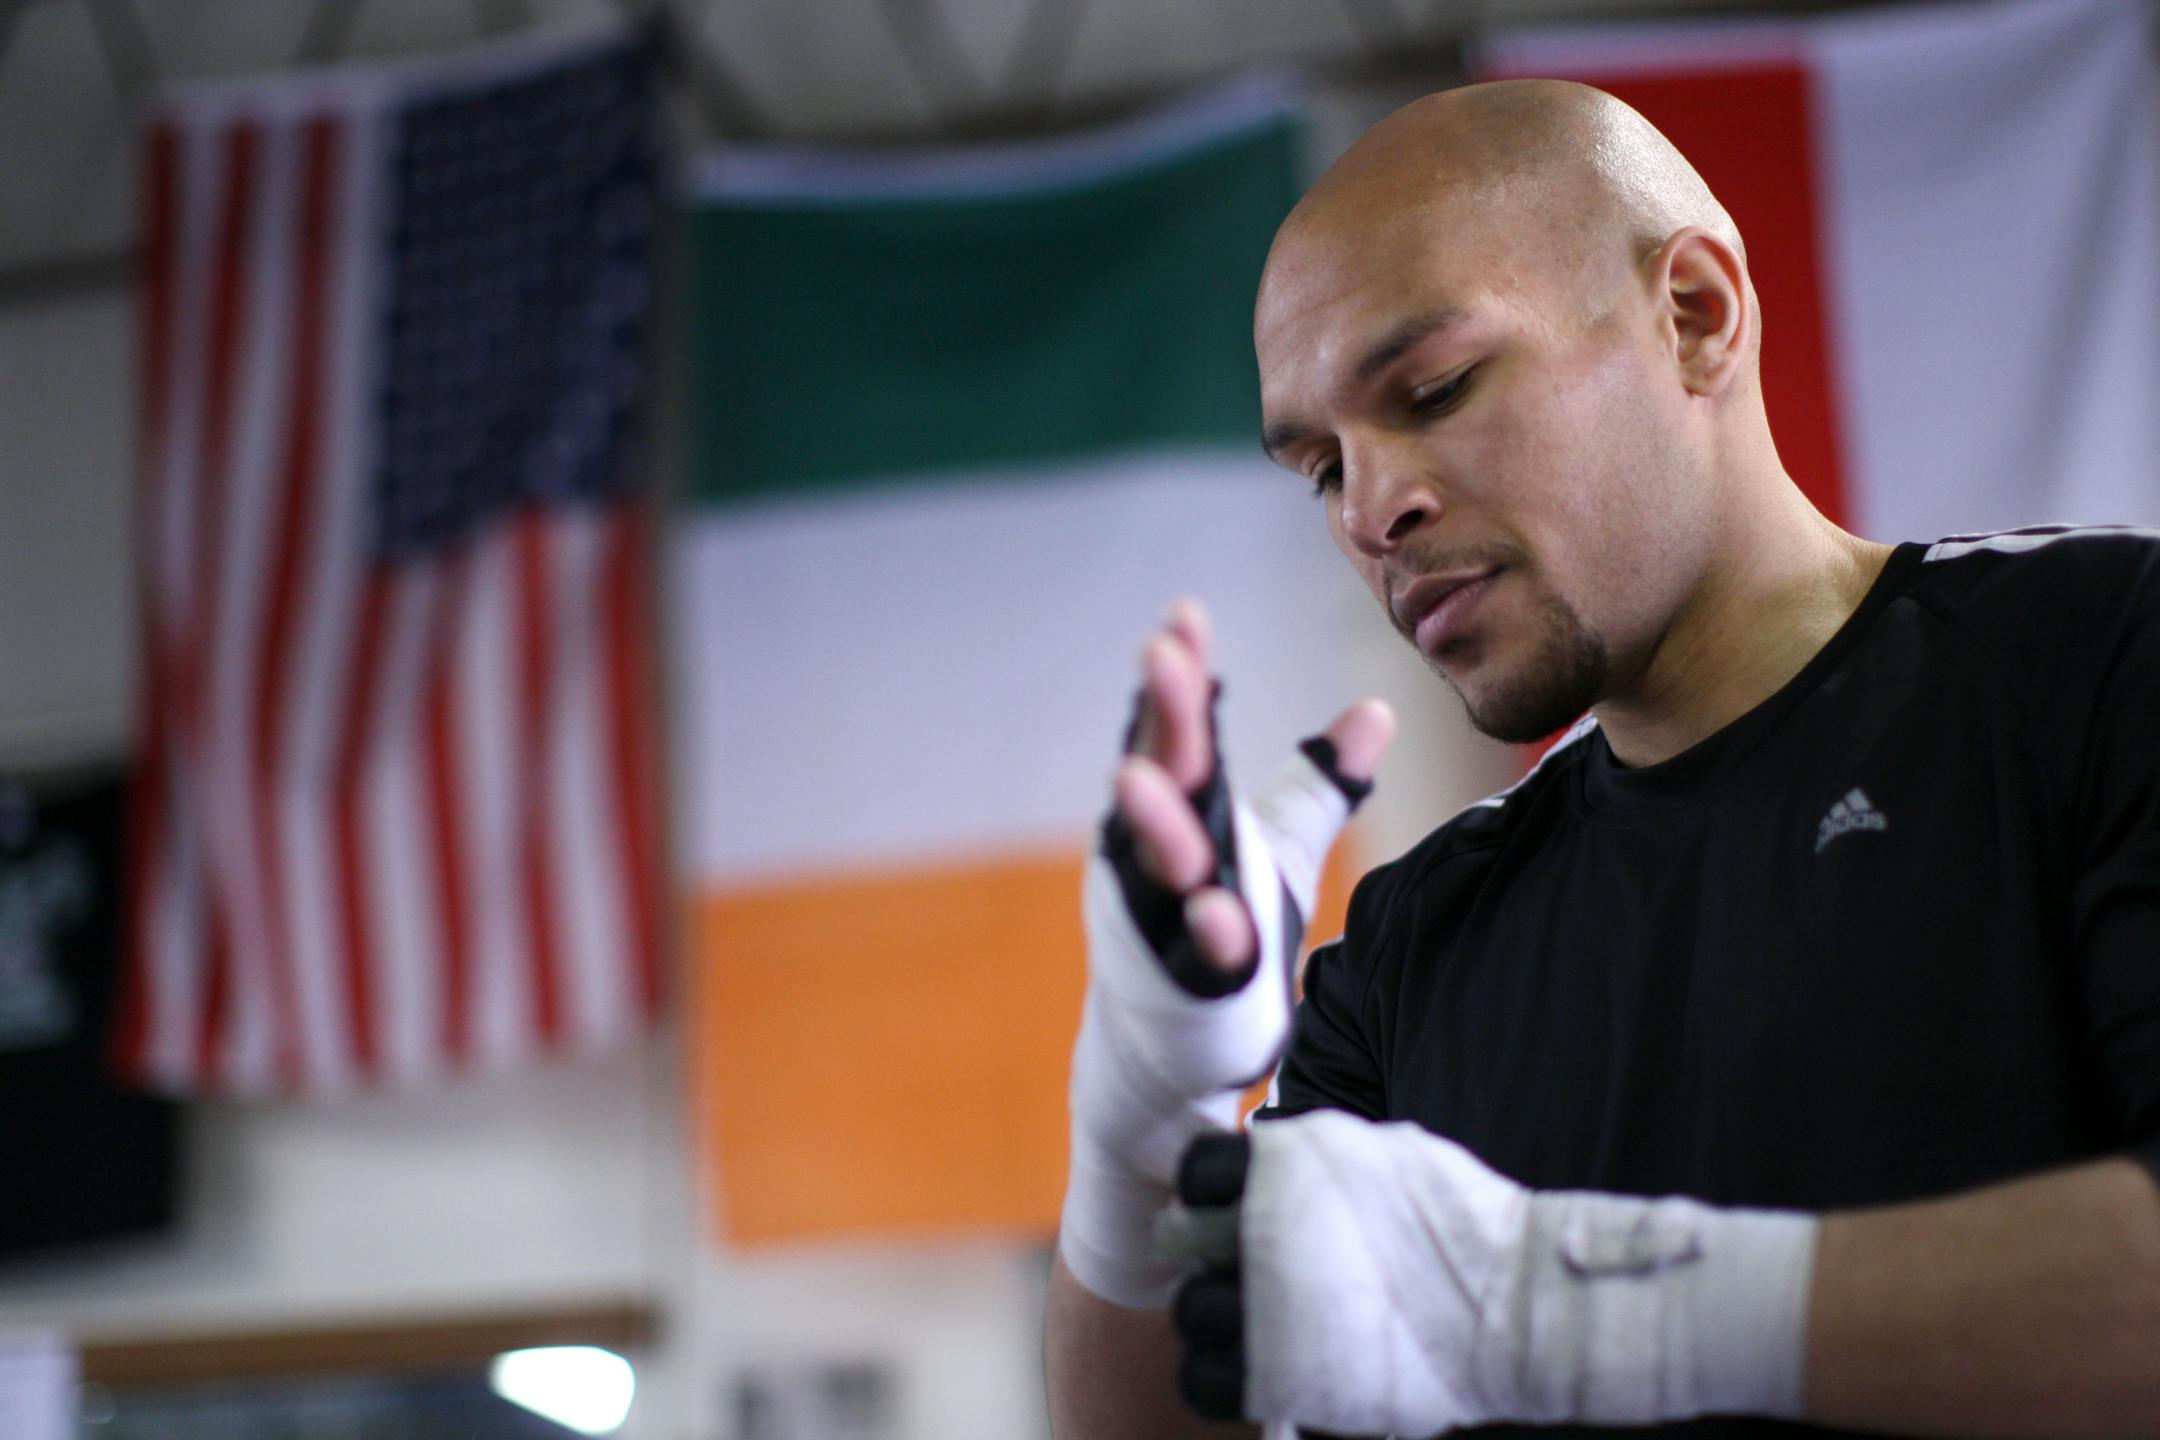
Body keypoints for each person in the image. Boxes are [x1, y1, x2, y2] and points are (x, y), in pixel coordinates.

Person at [1044, 78, 2160, 1439]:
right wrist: (1145, 1124)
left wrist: (1579, 1309)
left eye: (1435, 388)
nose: (1374, 508)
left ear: (1695, 316)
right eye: (1323, 468)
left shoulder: (2101, 663)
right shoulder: (1415, 942)